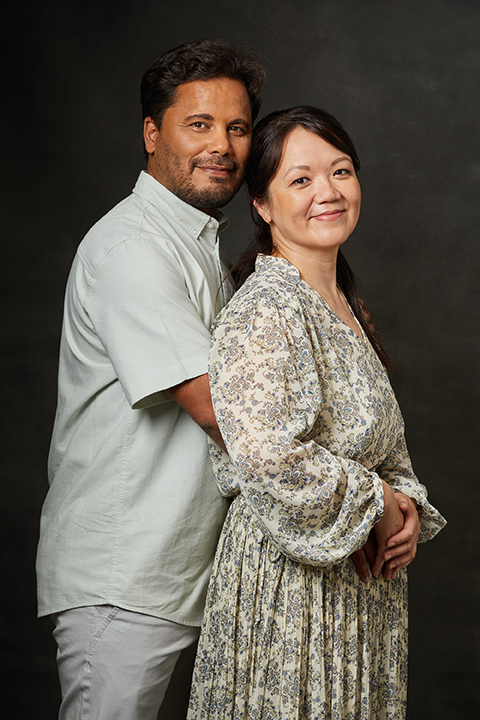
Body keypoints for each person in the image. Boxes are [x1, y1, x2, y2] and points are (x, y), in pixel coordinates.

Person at [187, 106, 446, 719]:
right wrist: (377, 502)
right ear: (263, 205)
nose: (328, 192)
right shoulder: (268, 308)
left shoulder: (340, 303)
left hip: (358, 593)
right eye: (301, 180)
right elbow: (269, 459)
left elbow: (384, 449)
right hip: (290, 594)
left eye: (341, 171)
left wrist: (405, 505)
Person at [36, 40, 266, 720]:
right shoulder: (134, 247)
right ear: (151, 132)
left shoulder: (196, 244)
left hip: (180, 574)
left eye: (238, 127)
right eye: (198, 124)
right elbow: (222, 410)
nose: (221, 145)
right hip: (125, 577)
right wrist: (357, 497)